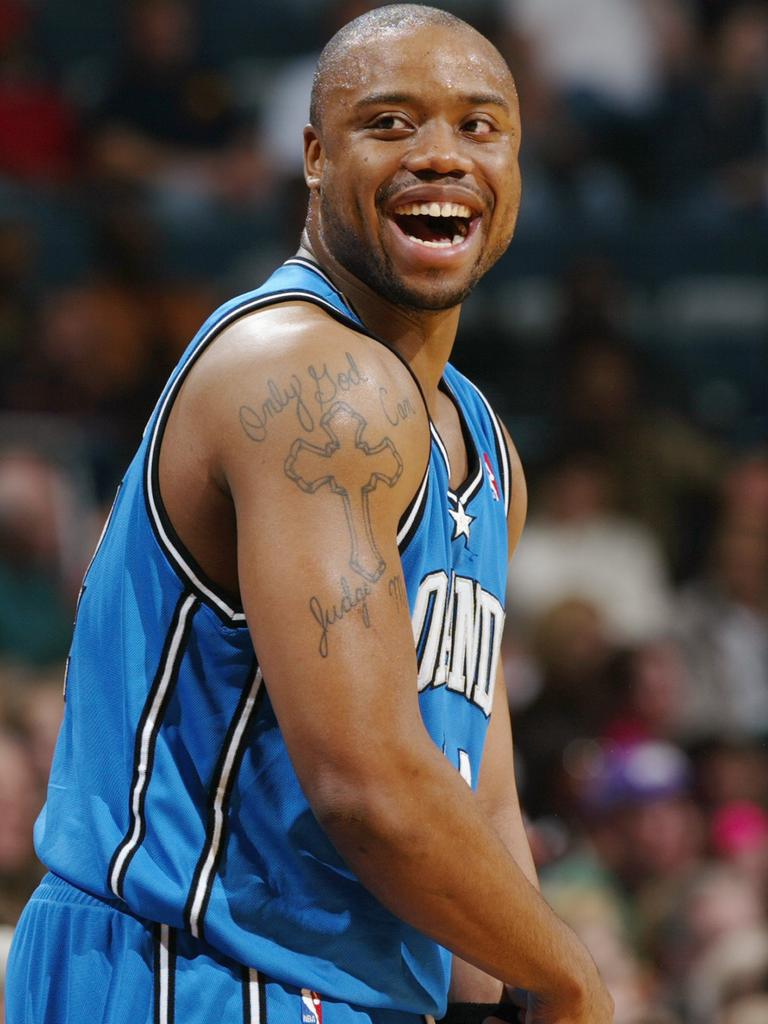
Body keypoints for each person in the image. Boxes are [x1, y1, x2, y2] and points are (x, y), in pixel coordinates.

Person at [6, 6, 613, 1024]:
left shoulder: (484, 443)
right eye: (390, 122)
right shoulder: (308, 378)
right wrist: (574, 980)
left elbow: (472, 791)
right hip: (182, 968)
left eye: (479, 125)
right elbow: (368, 787)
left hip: (333, 986)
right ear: (314, 155)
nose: (441, 155)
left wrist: (512, 987)